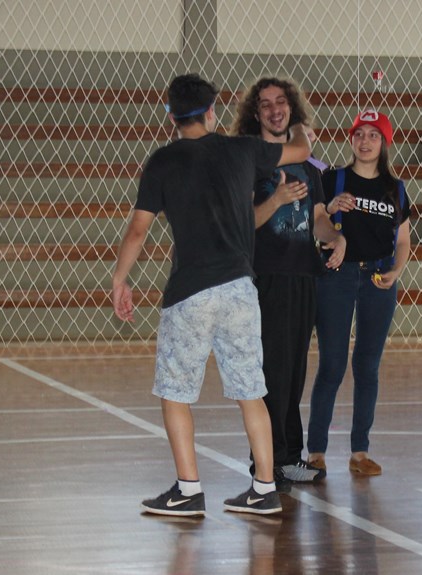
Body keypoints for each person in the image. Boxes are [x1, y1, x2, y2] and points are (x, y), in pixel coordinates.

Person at [111, 73, 311, 516]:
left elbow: (138, 229)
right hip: (240, 290)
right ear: (211, 112)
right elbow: (300, 150)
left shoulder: (162, 161)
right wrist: (298, 125)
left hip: (190, 294)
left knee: (176, 392)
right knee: (251, 392)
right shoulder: (242, 150)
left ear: (171, 116)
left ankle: (188, 490)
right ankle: (264, 488)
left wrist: (120, 278)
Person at [230, 77, 345, 488]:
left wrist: (337, 237)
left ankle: (288, 456)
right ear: (255, 113)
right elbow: (243, 223)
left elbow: (318, 218)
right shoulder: (249, 162)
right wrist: (276, 200)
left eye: (280, 102)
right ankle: (269, 461)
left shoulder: (308, 167)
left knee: (294, 372)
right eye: (265, 104)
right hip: (268, 278)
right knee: (272, 372)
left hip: (303, 276)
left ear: (291, 108)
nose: (274, 109)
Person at [306, 109, 411, 477]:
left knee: (367, 365)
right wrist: (331, 212)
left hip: (378, 279)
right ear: (351, 139)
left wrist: (397, 270)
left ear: (384, 142)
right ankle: (316, 452)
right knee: (332, 364)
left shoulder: (396, 189)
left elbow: (403, 240)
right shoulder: (332, 179)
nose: (365, 141)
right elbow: (315, 222)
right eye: (359, 134)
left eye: (373, 135)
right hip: (336, 276)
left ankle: (360, 452)